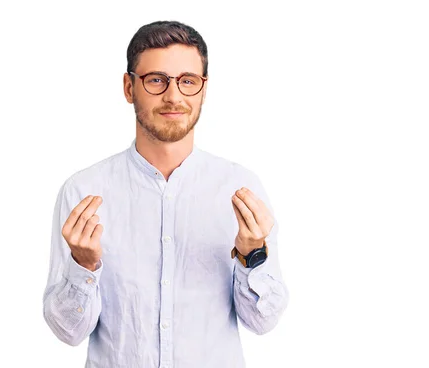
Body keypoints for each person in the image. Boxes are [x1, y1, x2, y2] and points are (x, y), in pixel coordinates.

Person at [42, 20, 289, 368]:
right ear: (129, 88)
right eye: (156, 80)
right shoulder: (85, 192)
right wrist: (84, 265)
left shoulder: (240, 190)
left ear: (203, 90)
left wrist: (252, 255)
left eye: (188, 81)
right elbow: (67, 332)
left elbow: (263, 322)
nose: (173, 96)